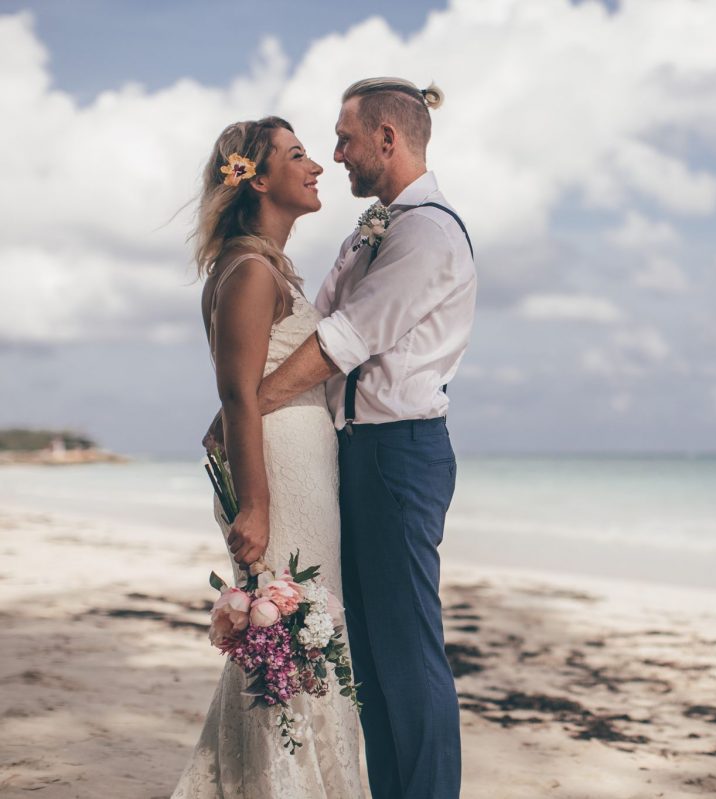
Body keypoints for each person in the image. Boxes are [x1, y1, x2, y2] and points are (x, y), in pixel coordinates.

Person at [210, 78, 476, 799]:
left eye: (345, 138)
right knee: (370, 658)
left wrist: (247, 409)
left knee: (409, 654)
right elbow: (316, 310)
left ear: (387, 140)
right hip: (349, 455)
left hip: (400, 453)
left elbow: (339, 341)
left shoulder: (426, 231)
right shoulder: (374, 229)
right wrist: (248, 412)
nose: (336, 154)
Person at [173, 117, 365, 797]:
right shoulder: (251, 270)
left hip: (295, 470)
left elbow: (244, 388)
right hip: (276, 479)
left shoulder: (262, 266)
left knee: (291, 642)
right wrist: (254, 503)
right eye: (297, 155)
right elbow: (237, 393)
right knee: (290, 636)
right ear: (256, 178)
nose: (315, 166)